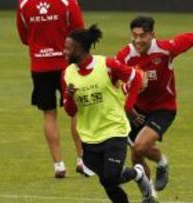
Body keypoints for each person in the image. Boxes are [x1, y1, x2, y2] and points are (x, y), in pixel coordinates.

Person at [116, 16, 193, 192]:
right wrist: (131, 87)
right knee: (136, 155)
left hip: (163, 108)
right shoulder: (124, 56)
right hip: (137, 109)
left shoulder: (165, 49)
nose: (138, 40)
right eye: (134, 36)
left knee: (141, 146)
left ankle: (162, 164)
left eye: (143, 36)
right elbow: (114, 83)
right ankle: (149, 195)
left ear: (152, 35)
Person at [62, 24, 157, 203]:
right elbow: (70, 111)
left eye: (67, 48)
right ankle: (137, 176)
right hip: (89, 137)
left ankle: (138, 173)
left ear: (79, 49)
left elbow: (136, 77)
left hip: (114, 130)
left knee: (111, 177)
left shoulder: (106, 65)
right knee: (108, 182)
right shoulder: (67, 74)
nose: (63, 52)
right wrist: (69, 96)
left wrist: (129, 107)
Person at [16, 0, 88, 178]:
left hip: (40, 66)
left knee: (49, 113)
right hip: (67, 65)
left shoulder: (24, 4)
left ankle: (58, 165)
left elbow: (24, 38)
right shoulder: (67, 2)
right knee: (76, 111)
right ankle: (82, 160)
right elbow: (80, 32)